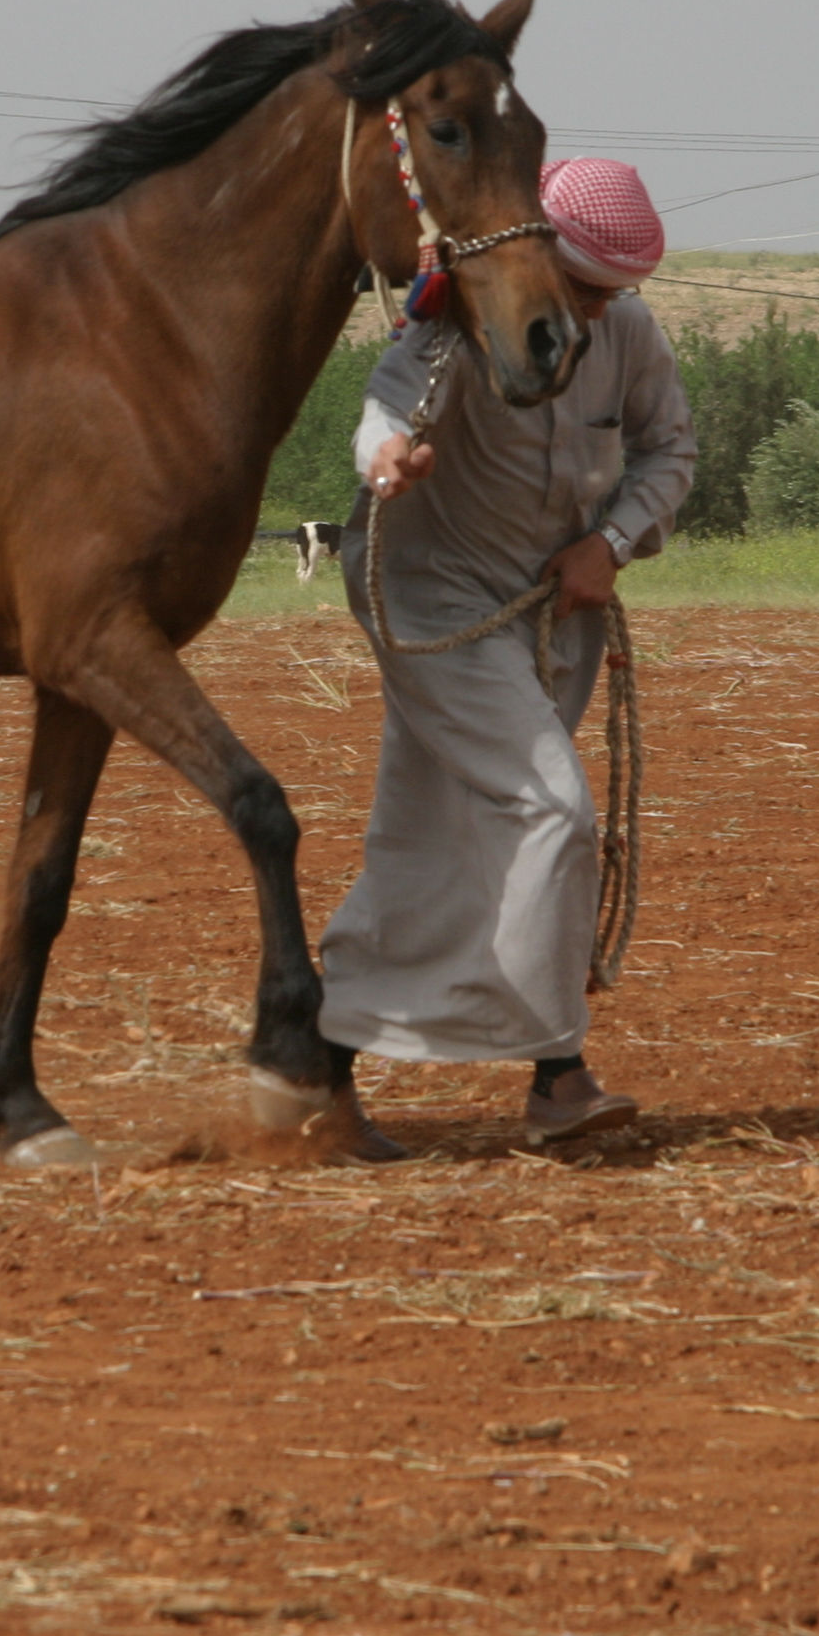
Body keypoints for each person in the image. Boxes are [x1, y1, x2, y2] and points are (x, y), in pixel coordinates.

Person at [284, 157, 696, 1161]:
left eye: (610, 294)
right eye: (584, 287)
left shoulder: (627, 332)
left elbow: (670, 451)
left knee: (437, 830)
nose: (595, 311)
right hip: (434, 599)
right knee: (552, 809)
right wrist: (388, 460)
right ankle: (557, 1071)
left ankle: (315, 1070)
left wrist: (612, 542)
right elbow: (386, 411)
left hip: (551, 612)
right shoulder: (456, 323)